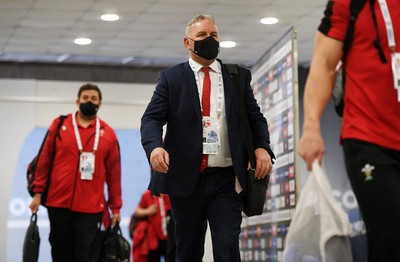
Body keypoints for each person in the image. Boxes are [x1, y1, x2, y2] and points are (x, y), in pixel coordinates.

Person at [140, 14, 275, 262]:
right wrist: (155, 148)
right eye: (202, 35)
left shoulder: (237, 77)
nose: (209, 40)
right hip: (185, 179)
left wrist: (262, 148)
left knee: (227, 249)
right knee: (188, 251)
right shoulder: (171, 78)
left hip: (226, 179)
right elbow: (151, 119)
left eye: (213, 35)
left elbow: (256, 119)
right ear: (187, 42)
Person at [298, 0, 400, 261]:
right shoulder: (350, 3)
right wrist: (311, 126)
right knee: (389, 236)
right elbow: (323, 63)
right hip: (370, 137)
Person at [29, 83, 122, 262]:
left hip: (91, 207)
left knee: (86, 255)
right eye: (85, 98)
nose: (89, 101)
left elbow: (114, 174)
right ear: (78, 101)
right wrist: (38, 193)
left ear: (100, 103)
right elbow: (44, 160)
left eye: (93, 98)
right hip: (58, 203)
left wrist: (115, 208)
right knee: (60, 252)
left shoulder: (108, 133)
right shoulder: (60, 124)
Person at [132, 190, 173, 262]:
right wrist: (148, 211)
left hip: (169, 237)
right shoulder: (148, 195)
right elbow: (137, 211)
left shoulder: (170, 193)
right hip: (154, 239)